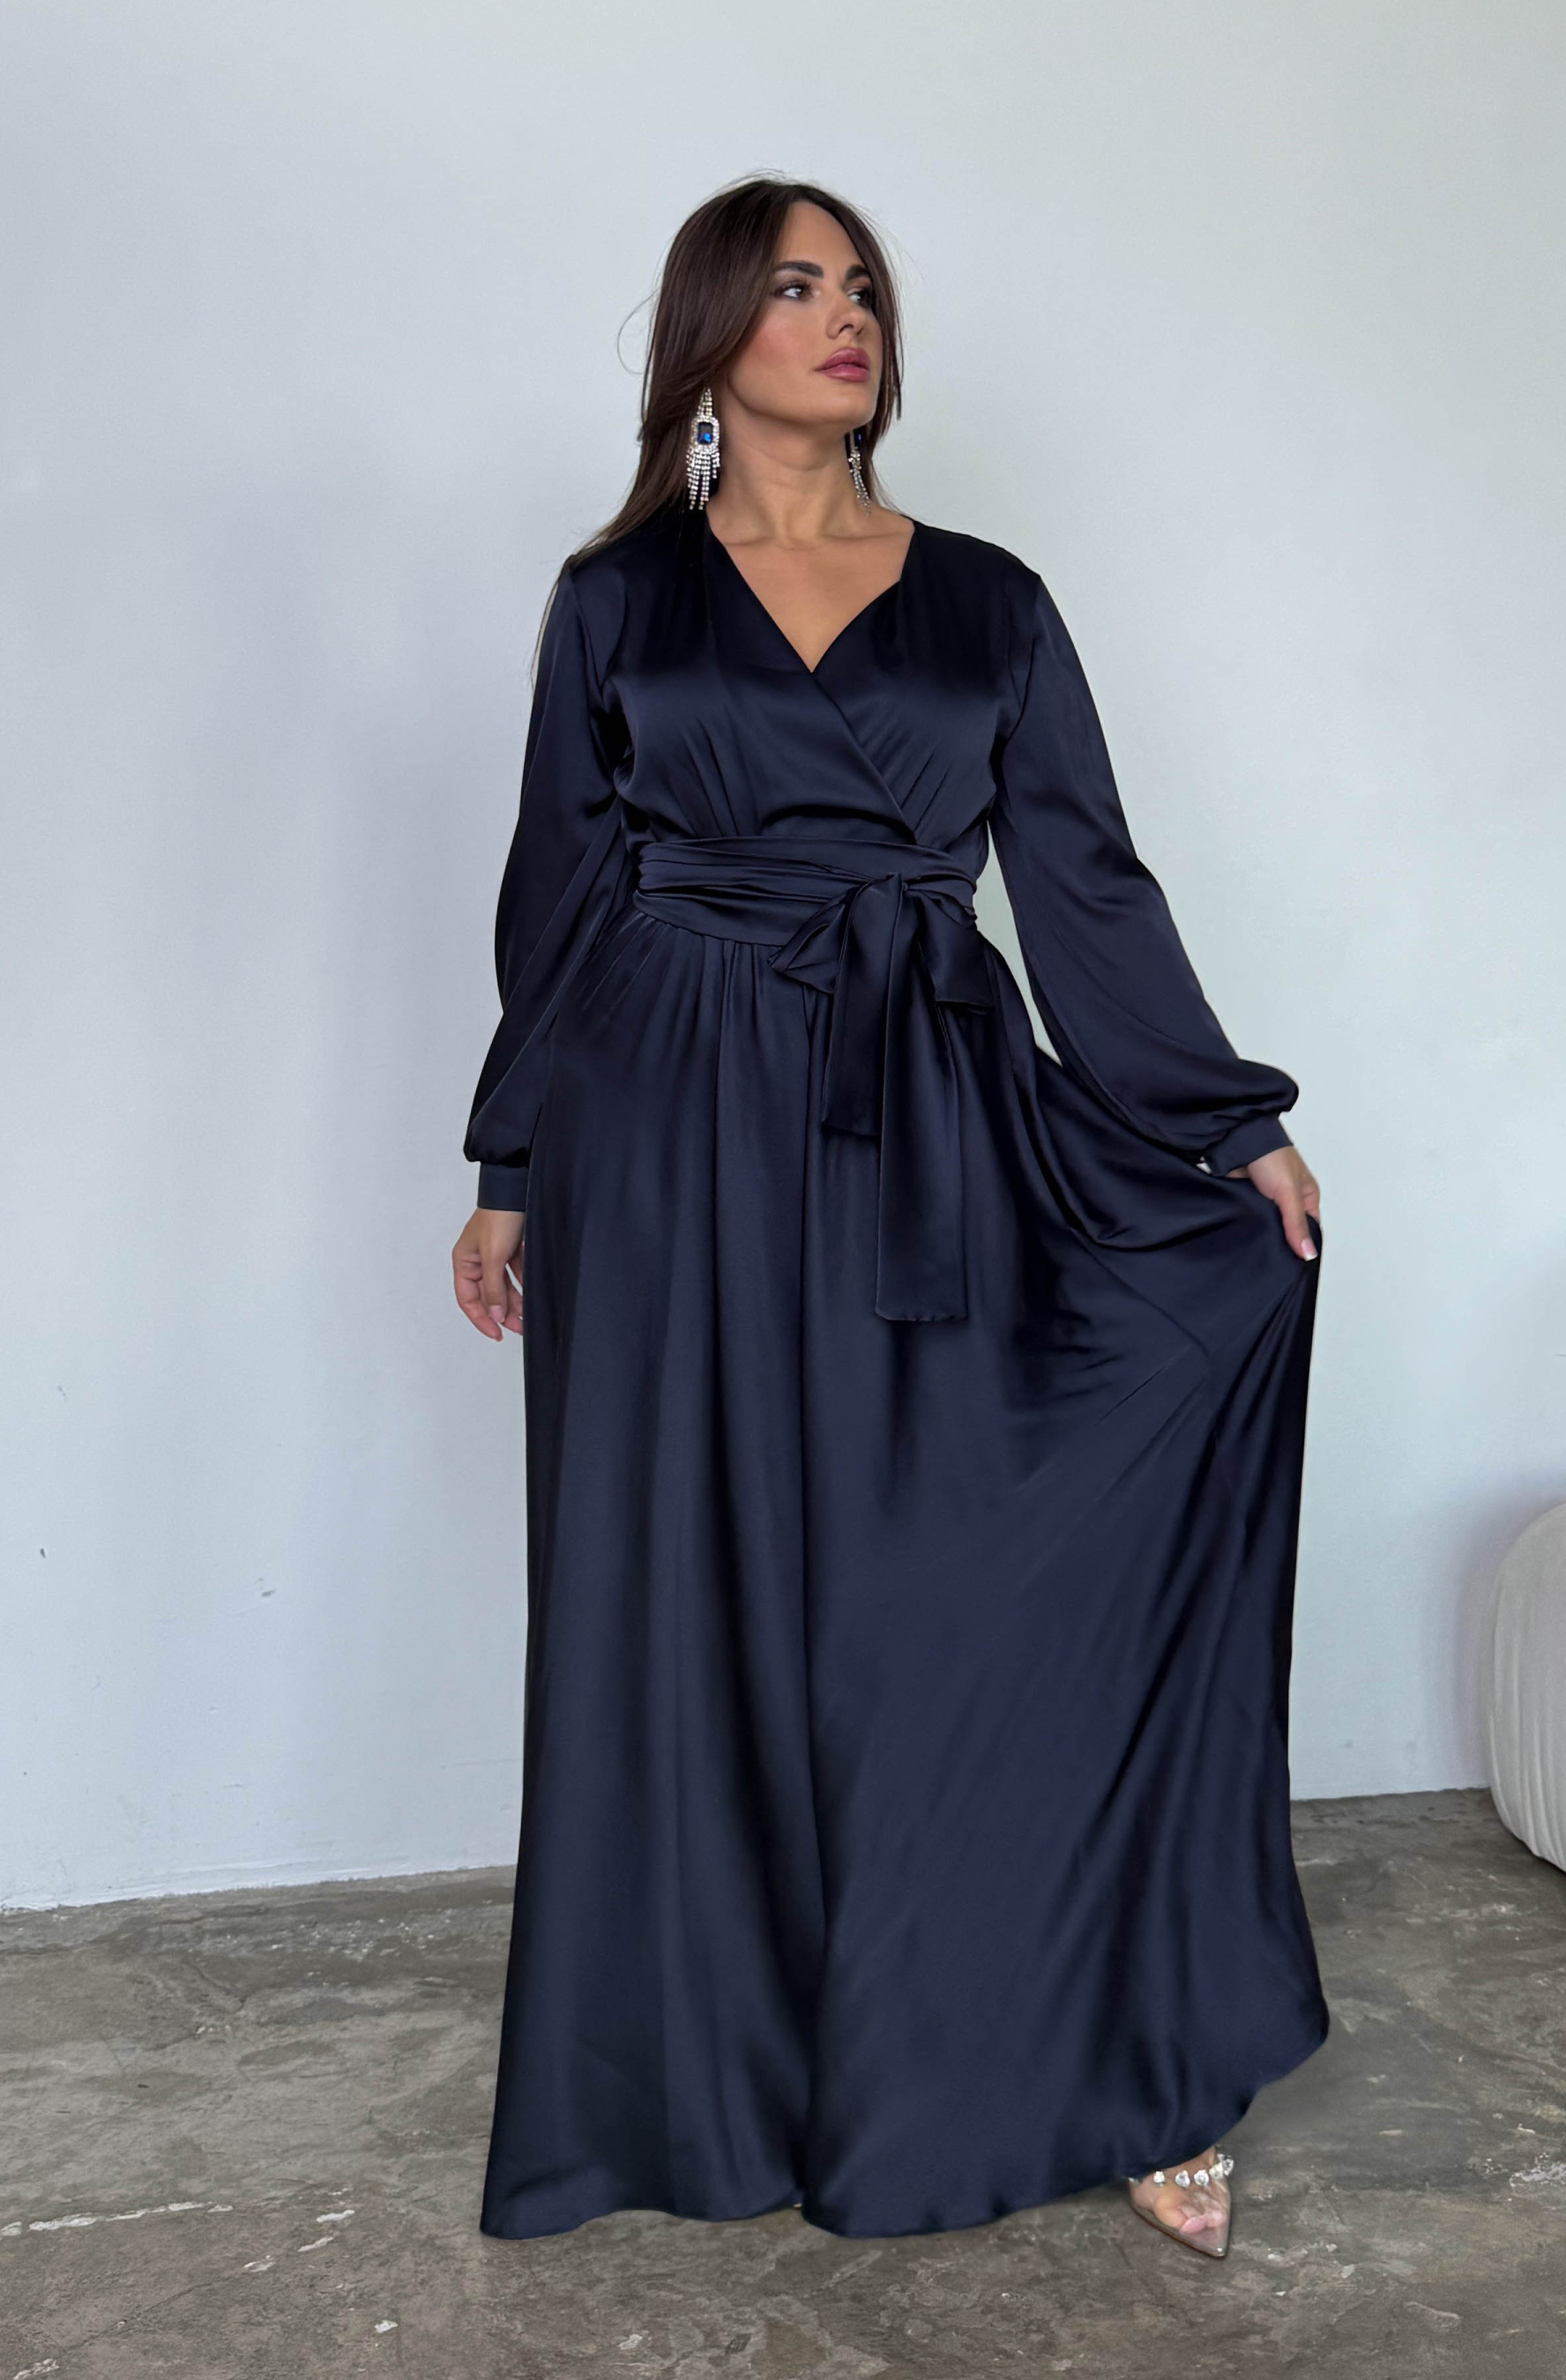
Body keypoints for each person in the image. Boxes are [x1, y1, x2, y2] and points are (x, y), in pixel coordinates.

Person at [452, 175, 1326, 2260]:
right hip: (661, 1124)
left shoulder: (988, 601)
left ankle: (1089, 2048)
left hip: (920, 1107)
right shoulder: (617, 600)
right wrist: (507, 1166)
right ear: (709, 338)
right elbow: (559, 893)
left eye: (859, 287)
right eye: (792, 287)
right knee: (694, 1602)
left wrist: (1222, 1129)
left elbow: (1081, 880)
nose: (841, 318)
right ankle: (707, 2083)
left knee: (928, 1600)